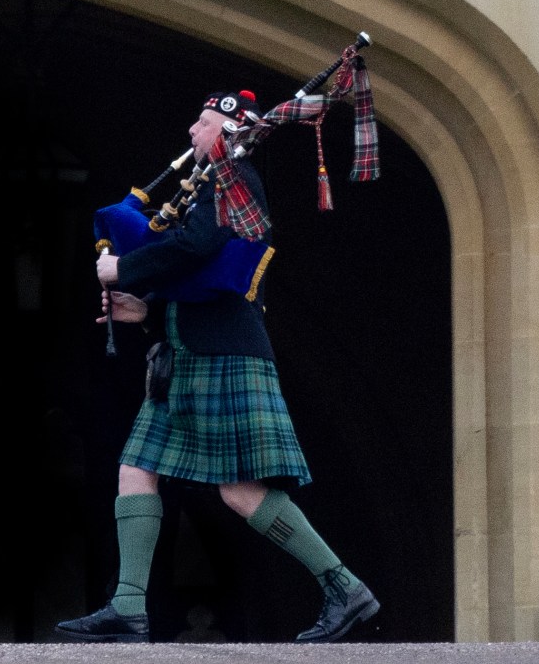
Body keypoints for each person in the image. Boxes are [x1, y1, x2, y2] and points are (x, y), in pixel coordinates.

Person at [55, 90, 379, 644]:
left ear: (227, 132)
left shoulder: (235, 181)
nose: (190, 132)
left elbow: (198, 247)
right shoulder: (212, 185)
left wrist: (123, 269)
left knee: (239, 490)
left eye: (201, 123)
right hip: (187, 353)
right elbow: (197, 278)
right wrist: (147, 311)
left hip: (225, 356)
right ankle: (128, 607)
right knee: (136, 468)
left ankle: (344, 587)